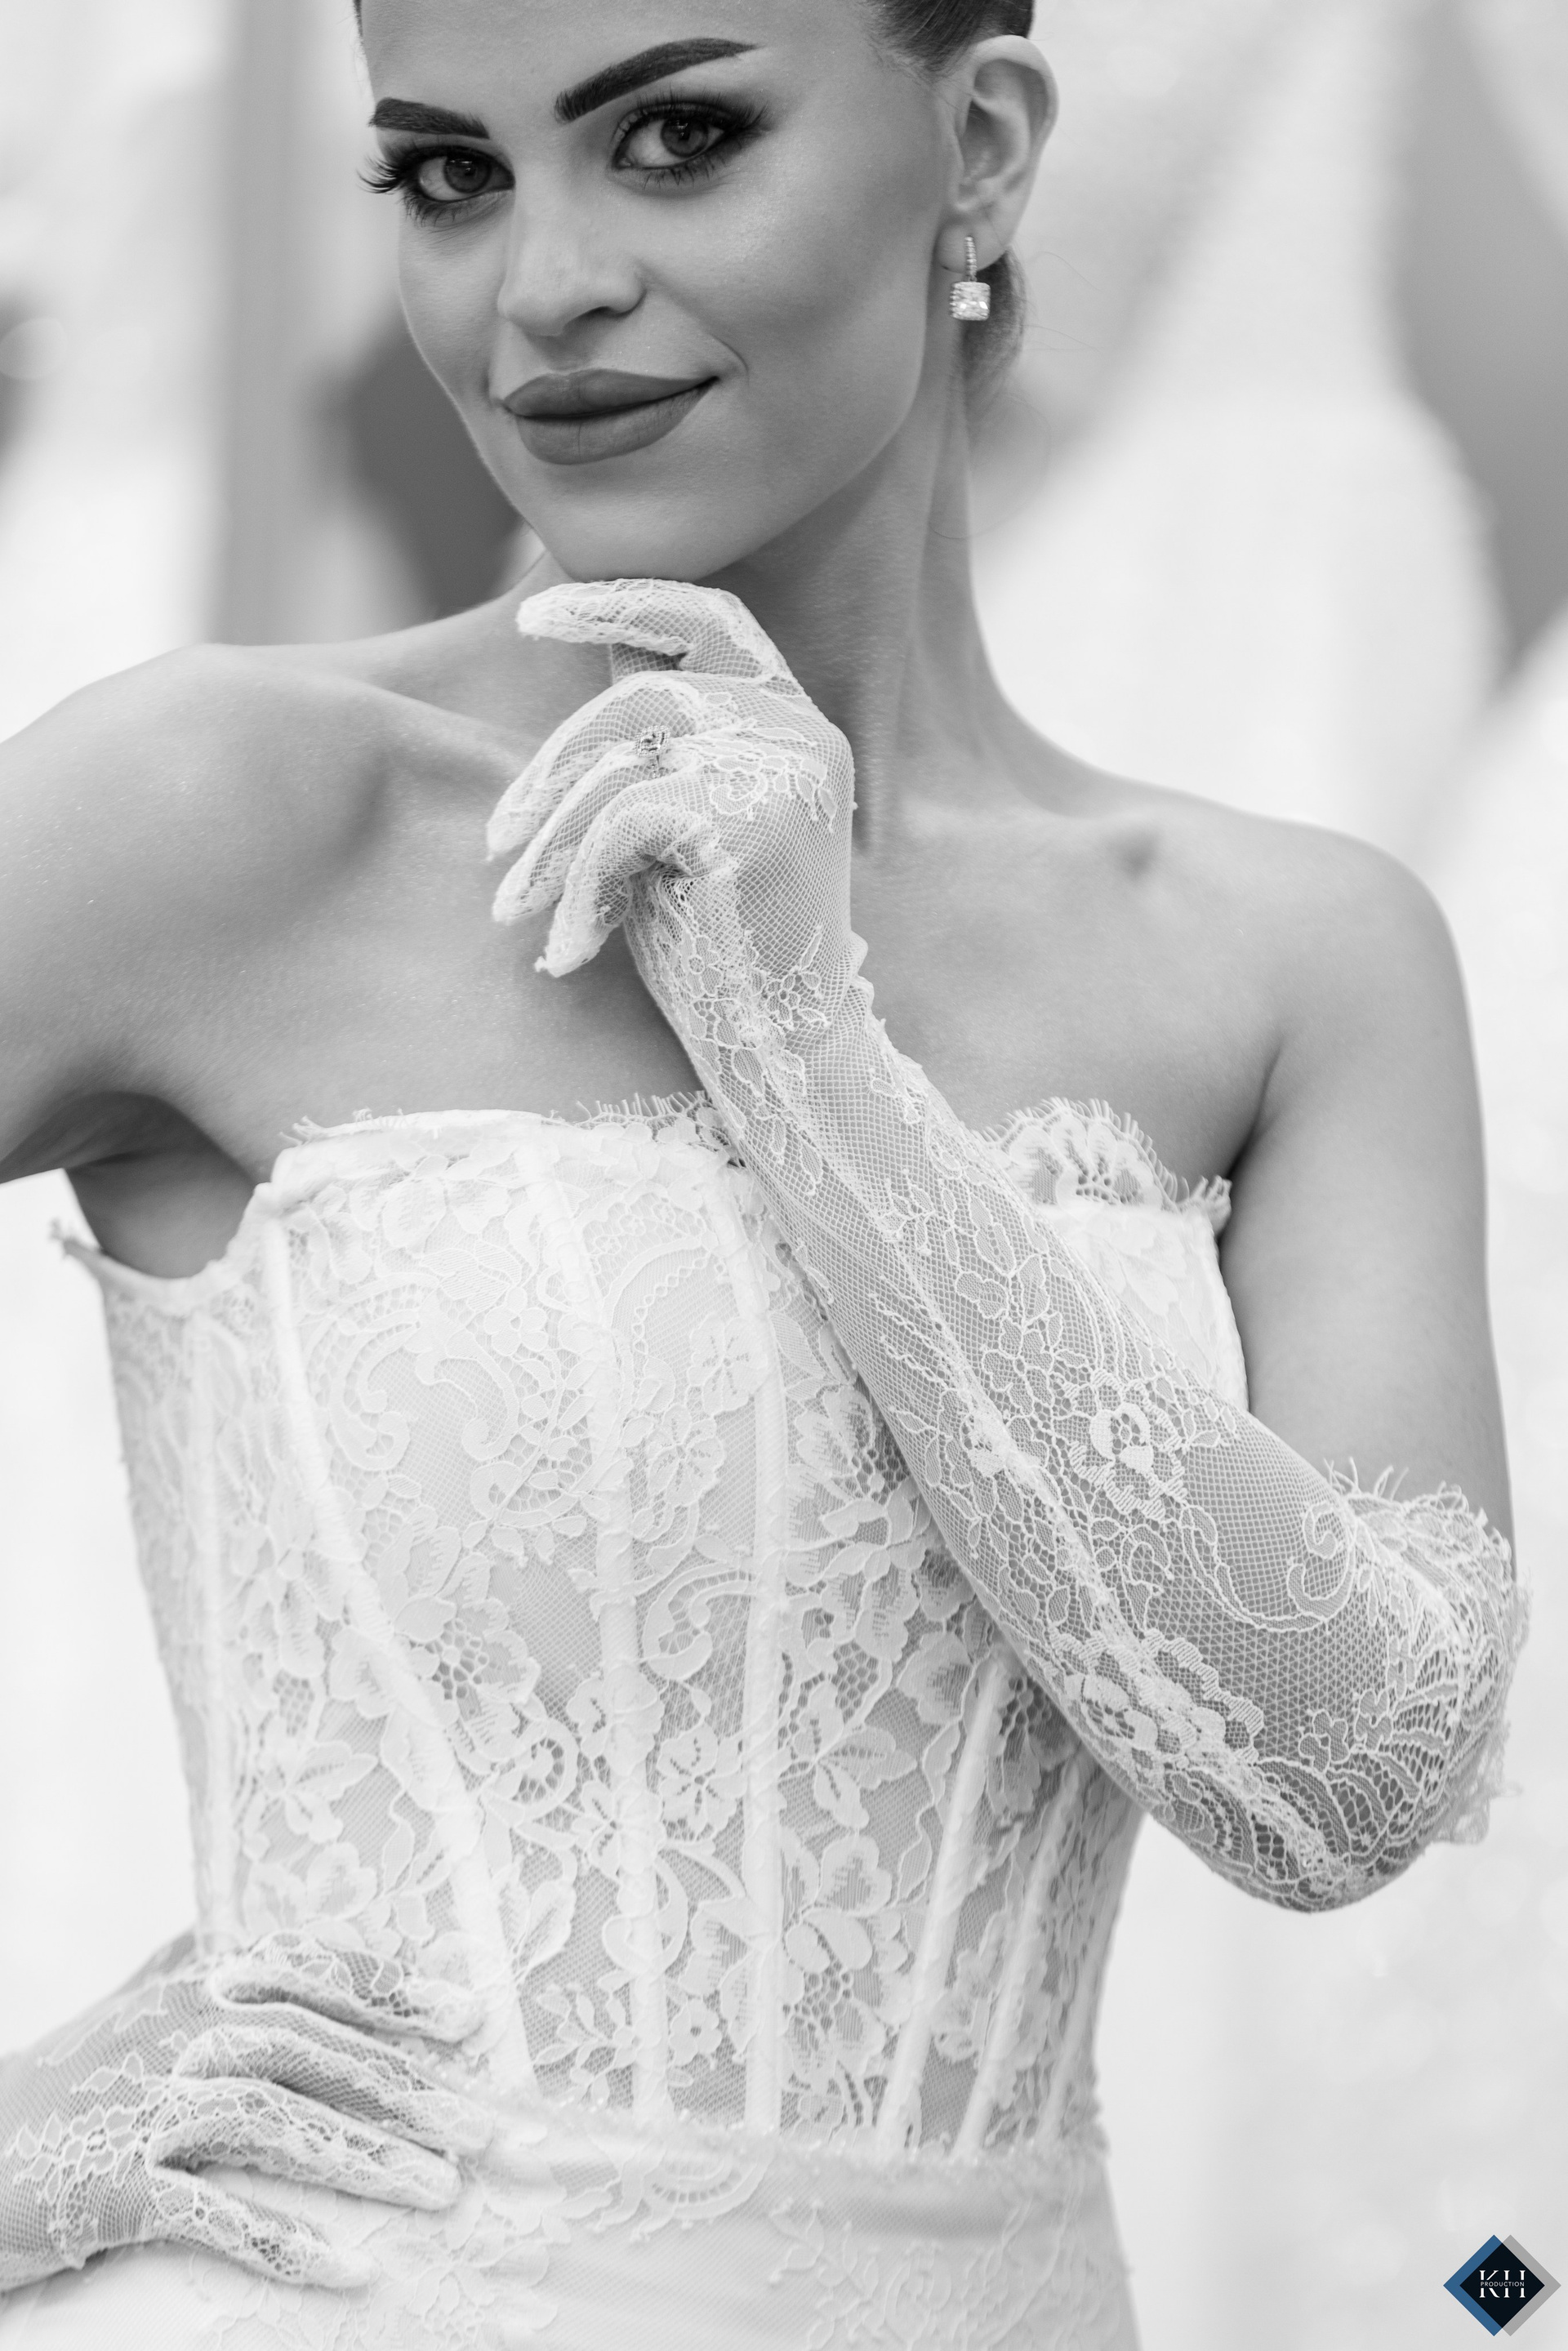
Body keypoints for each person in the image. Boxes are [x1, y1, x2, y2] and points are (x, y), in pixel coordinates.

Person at [0, 0, 1526, 2344]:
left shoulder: (1292, 957)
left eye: (681, 137)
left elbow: (1344, 1787)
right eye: (448, 174)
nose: (546, 286)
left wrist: (809, 1049)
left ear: (980, 146)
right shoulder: (226, 814)